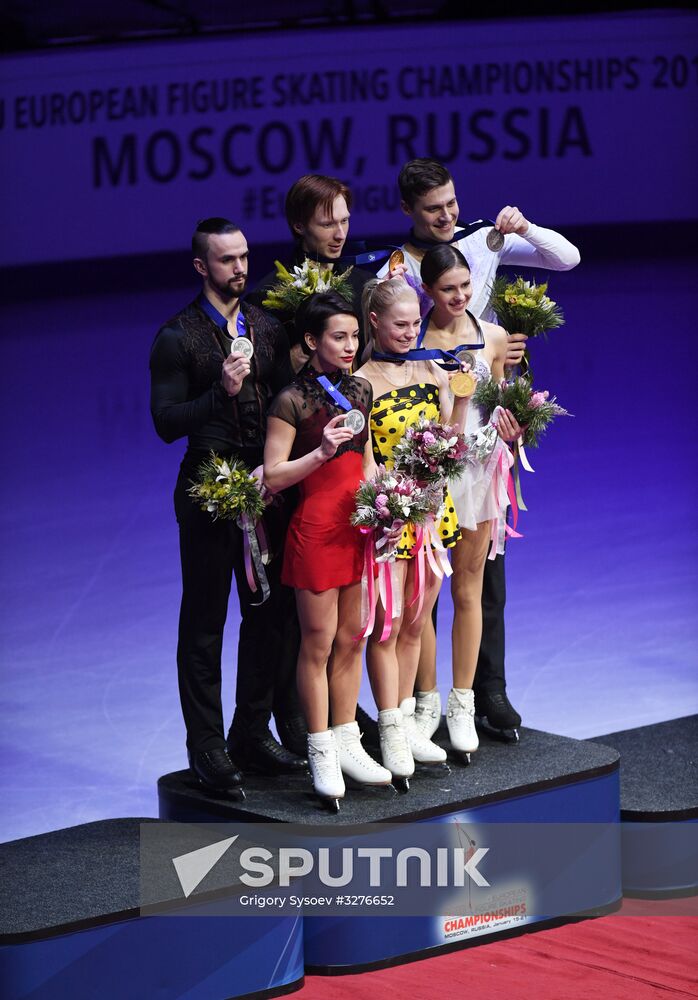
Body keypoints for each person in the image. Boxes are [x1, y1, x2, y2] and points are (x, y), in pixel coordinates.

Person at [379, 158, 580, 739]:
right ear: (409, 212)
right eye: (432, 209)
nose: (446, 216)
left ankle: (485, 690)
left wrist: (522, 228)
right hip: (429, 435)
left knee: (483, 575)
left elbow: (565, 258)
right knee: (424, 580)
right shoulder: (397, 270)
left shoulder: (483, 242)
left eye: (450, 203)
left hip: (484, 432)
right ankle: (421, 704)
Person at [149, 217, 307, 793]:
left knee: (270, 613)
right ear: (201, 267)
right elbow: (164, 423)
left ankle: (250, 731)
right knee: (206, 621)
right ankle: (207, 748)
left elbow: (290, 401)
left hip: (265, 490)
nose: (240, 268)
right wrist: (222, 392)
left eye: (244, 257)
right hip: (208, 491)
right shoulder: (178, 336)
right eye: (226, 260)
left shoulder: (265, 327)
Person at [264, 292, 391, 808]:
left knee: (351, 640)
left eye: (355, 336)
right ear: (312, 341)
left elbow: (364, 464)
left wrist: (383, 498)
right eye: (339, 336)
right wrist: (320, 452)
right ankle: (319, 749)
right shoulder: (290, 401)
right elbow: (272, 476)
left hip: (355, 528)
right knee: (316, 646)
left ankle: (346, 740)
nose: (350, 345)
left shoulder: (359, 389)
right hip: (314, 530)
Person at [354, 278, 469, 785]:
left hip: (431, 516)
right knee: (388, 624)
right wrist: (389, 505)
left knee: (418, 622)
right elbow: (365, 461)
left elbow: (452, 441)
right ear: (373, 322)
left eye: (414, 323)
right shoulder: (360, 381)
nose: (409, 332)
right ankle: (391, 730)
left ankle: (405, 719)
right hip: (390, 518)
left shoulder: (430, 368)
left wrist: (462, 395)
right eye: (399, 324)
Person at [417, 244, 521, 759]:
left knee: (469, 591)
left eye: (464, 286)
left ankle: (463, 703)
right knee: (423, 598)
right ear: (427, 291)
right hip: (432, 479)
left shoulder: (493, 336)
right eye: (447, 289)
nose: (459, 296)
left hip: (479, 477)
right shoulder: (412, 341)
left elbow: (503, 401)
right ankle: (424, 704)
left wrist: (513, 426)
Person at [247, 174, 375, 368]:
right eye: (328, 224)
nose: (340, 235)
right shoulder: (267, 295)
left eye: (344, 221)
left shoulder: (365, 284)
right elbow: (259, 377)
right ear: (299, 226)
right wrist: (289, 362)